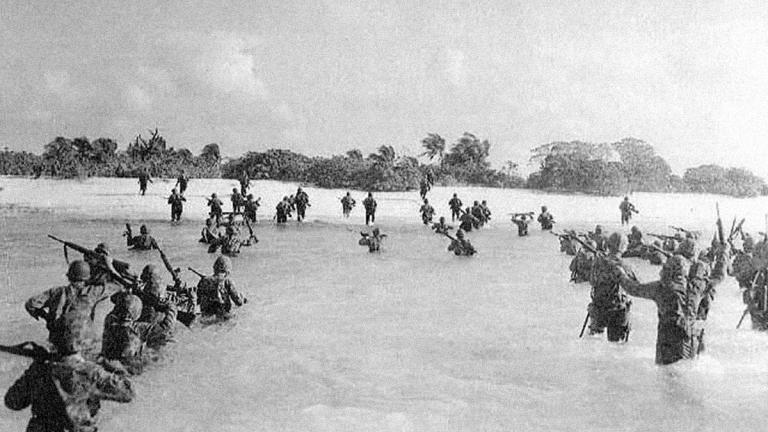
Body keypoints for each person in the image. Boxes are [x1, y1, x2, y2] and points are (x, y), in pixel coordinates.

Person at [615, 244, 730, 365]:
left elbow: (634, 289)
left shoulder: (661, 288)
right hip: (690, 340)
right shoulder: (697, 287)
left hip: (668, 343)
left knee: (666, 377)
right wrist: (724, 253)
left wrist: (621, 274)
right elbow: (719, 276)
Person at [5, 336, 134, 432]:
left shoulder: (41, 369)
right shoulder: (93, 372)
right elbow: (128, 394)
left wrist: (34, 368)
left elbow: (13, 402)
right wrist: (114, 368)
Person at [25, 261, 116, 356]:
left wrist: (47, 318)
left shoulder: (56, 292)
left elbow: (31, 304)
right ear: (86, 278)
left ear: (69, 277)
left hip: (58, 343)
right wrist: (108, 266)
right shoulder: (92, 293)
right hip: (83, 344)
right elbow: (116, 285)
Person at [101, 292, 176, 372]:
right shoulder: (138, 329)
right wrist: (172, 307)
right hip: (129, 368)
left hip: (108, 362)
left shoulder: (109, 319)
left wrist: (130, 293)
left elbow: (114, 298)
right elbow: (166, 329)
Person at [586, 232, 635, 342]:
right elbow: (636, 284)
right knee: (617, 346)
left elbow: (592, 281)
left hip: (598, 309)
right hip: (617, 312)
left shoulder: (598, 261)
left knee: (594, 343)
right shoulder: (625, 265)